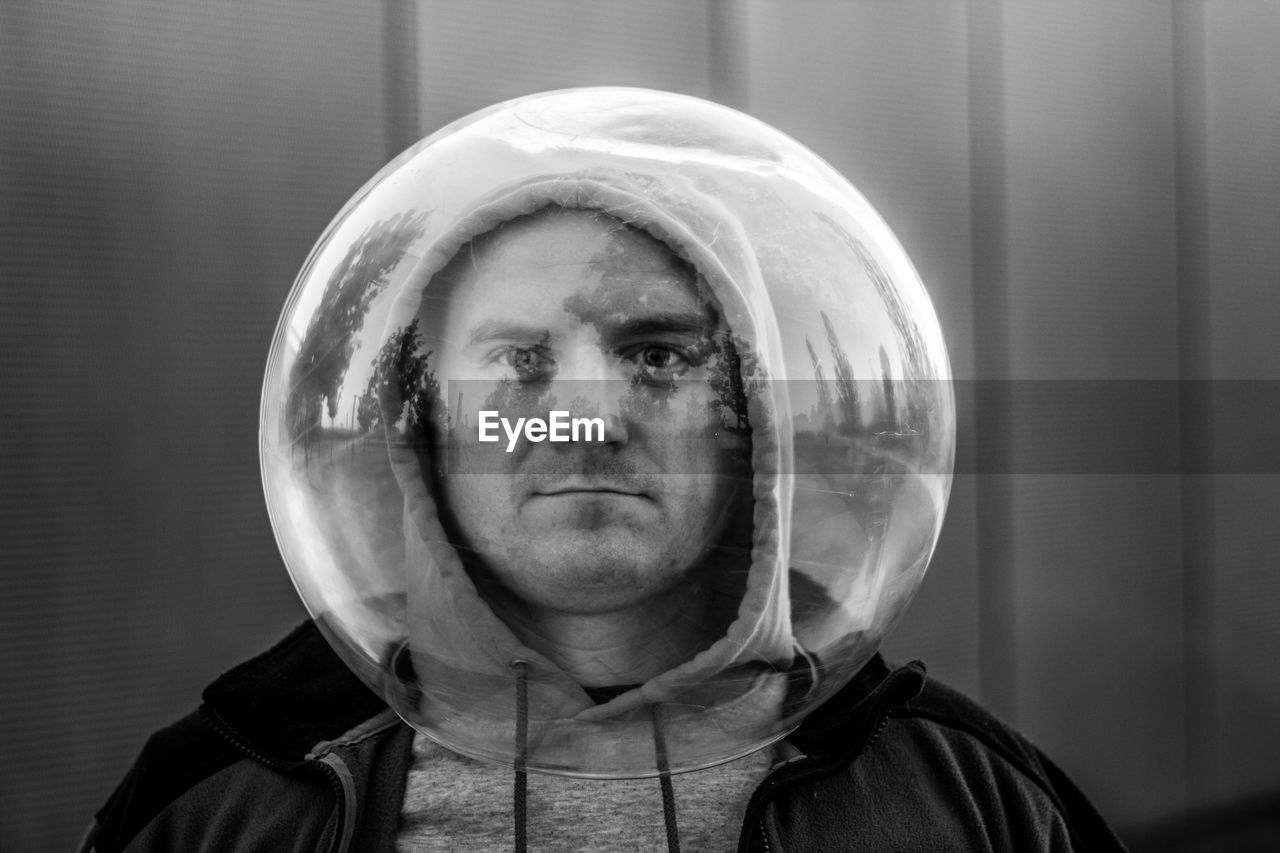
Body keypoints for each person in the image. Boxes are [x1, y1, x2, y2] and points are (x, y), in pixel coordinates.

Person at [83, 89, 1126, 852]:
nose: (585, 417)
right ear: (423, 430)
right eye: (517, 360)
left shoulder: (970, 804)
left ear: (750, 424)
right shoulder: (217, 807)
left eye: (658, 356)